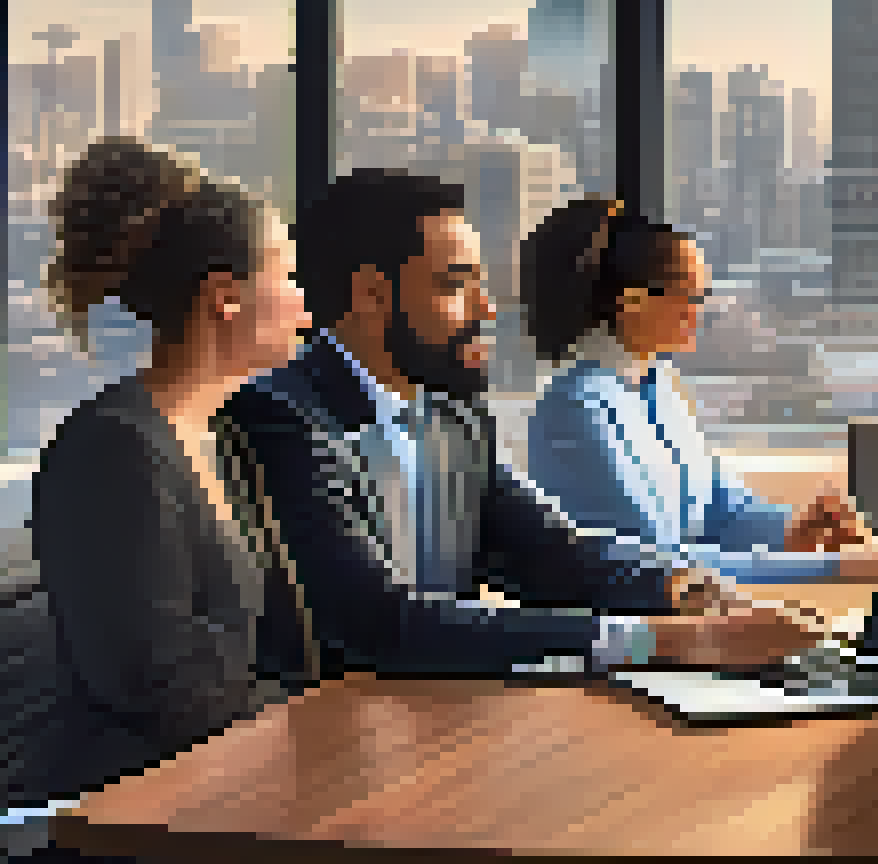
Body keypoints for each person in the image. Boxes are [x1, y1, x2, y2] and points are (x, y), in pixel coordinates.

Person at [223, 169, 817, 680]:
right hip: (328, 744)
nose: (485, 309)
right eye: (456, 283)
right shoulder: (284, 418)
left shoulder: (453, 419)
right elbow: (377, 624)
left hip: (439, 720)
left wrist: (680, 588)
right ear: (374, 294)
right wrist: (659, 642)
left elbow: (552, 555)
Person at [14, 140, 318, 837]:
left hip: (228, 787)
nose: (306, 300)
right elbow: (159, 688)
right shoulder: (116, 450)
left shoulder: (221, 438)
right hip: (139, 815)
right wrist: (316, 729)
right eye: (289, 275)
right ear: (225, 299)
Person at [521, 198, 878, 585]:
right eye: (692, 297)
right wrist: (836, 569)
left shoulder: (656, 384)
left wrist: (793, 529)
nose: (703, 311)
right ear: (633, 303)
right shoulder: (575, 411)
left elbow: (715, 507)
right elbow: (659, 563)